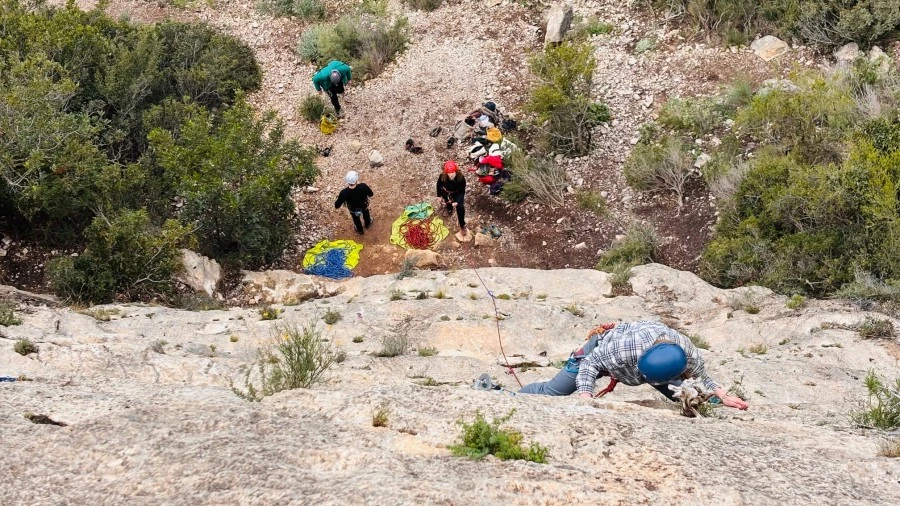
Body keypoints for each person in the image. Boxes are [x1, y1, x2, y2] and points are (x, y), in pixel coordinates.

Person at [519, 320, 750, 411]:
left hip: (658, 368)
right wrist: (586, 398)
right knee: (554, 392)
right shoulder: (622, 350)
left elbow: (703, 377)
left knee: (690, 399)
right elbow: (589, 364)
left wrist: (723, 395)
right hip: (599, 352)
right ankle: (512, 396)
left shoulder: (688, 354)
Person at [334, 171, 373, 235]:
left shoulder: (344, 192)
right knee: (366, 213)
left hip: (353, 209)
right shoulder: (363, 186)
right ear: (356, 179)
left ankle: (360, 230)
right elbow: (371, 194)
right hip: (364, 205)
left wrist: (337, 203)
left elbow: (337, 205)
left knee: (356, 219)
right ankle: (368, 223)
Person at [436, 160, 467, 236]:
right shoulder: (443, 176)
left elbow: (462, 191)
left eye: (452, 172)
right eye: (449, 172)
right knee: (447, 201)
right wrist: (439, 195)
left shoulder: (461, 179)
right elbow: (439, 185)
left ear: (455, 171)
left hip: (457, 193)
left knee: (460, 208)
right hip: (446, 192)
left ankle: (462, 224)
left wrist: (457, 201)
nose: (451, 174)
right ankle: (449, 208)